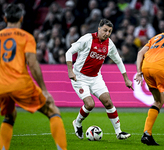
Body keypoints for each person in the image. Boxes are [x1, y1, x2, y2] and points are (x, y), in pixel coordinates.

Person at [0, 4, 67, 150]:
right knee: (52, 111)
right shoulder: (26, 37)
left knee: (10, 116)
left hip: (1, 87)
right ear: (21, 18)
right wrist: (44, 89)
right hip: (20, 83)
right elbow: (32, 63)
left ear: (5, 19)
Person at [66, 18, 133, 140]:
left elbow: (119, 61)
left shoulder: (109, 44)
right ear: (99, 29)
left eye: (109, 31)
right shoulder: (87, 39)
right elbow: (69, 52)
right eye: (105, 30)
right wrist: (70, 71)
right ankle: (77, 123)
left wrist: (126, 79)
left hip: (96, 78)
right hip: (79, 78)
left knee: (108, 102)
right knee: (90, 104)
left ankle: (119, 133)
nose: (107, 33)